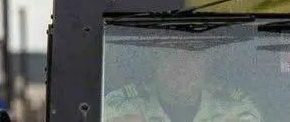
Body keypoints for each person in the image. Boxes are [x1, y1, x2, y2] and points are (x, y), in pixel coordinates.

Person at [102, 45, 260, 122]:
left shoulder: (235, 107)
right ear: (154, 61)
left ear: (207, 63)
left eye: (193, 55)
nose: (181, 66)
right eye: (170, 54)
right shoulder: (120, 105)